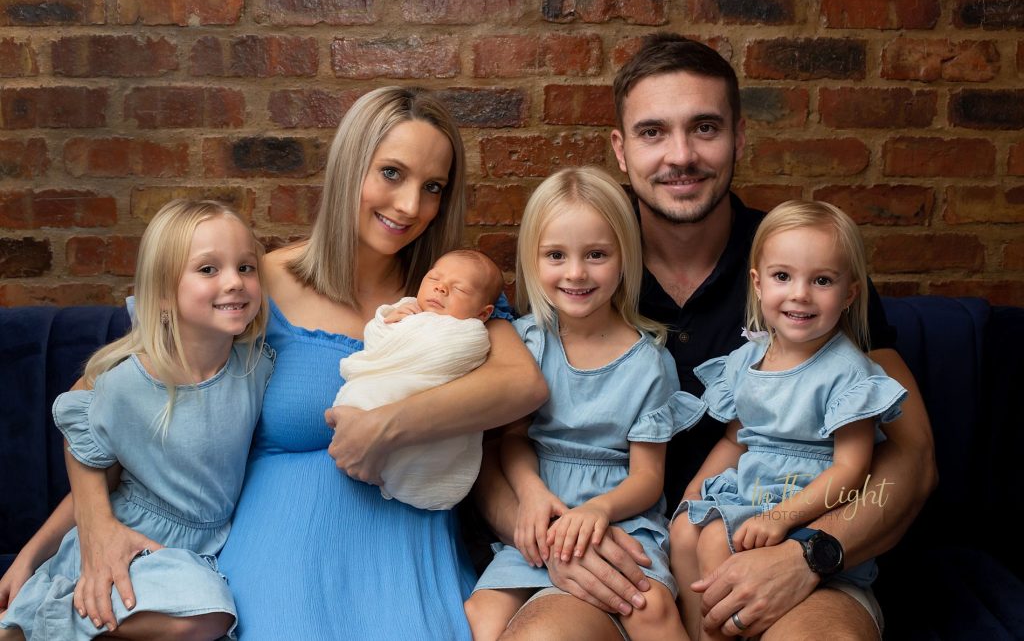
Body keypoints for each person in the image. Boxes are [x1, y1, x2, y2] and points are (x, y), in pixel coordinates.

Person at [0, 87, 547, 640]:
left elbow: (522, 383)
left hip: (408, 558)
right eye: (390, 173)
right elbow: (95, 402)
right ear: (349, 167)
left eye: (433, 187)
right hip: (279, 559)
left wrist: (388, 426)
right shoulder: (252, 283)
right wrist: (90, 530)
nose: (410, 206)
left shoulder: (449, 297)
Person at [475, 34, 936, 640]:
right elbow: (493, 446)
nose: (681, 154)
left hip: (786, 547)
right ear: (620, 148)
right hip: (615, 556)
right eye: (652, 132)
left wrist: (811, 554)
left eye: (706, 128)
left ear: (740, 137)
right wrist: (545, 537)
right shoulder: (581, 266)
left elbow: (913, 457)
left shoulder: (800, 273)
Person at [0, 200, 275, 640]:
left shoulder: (254, 365)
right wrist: (28, 559)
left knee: (215, 613)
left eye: (246, 267)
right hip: (138, 539)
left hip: (207, 545)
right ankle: (42, 621)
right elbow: (86, 447)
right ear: (164, 293)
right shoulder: (132, 382)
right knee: (209, 617)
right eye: (208, 270)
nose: (234, 283)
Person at [464, 166, 699, 641]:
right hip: (541, 518)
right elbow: (511, 438)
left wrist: (598, 511)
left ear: (624, 257)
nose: (576, 273)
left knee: (646, 606)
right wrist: (530, 493)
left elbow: (648, 478)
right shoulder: (524, 344)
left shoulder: (647, 361)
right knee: (480, 616)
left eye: (596, 254)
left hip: (620, 520)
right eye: (556, 255)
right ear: (533, 258)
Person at [670, 200, 907, 640]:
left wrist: (781, 518)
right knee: (683, 530)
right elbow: (736, 438)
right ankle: (698, 631)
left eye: (821, 280)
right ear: (758, 284)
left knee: (713, 541)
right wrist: (694, 488)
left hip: (806, 505)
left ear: (850, 293)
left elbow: (851, 469)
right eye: (783, 277)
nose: (800, 294)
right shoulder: (747, 360)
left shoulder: (848, 372)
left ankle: (729, 629)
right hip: (752, 491)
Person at [334, 249, 504, 510]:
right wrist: (390, 323)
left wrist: (413, 331)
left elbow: (445, 359)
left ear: (483, 313)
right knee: (366, 396)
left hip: (424, 418)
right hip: (380, 395)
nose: (441, 289)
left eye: (459, 289)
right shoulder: (407, 309)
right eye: (434, 279)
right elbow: (375, 343)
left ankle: (401, 472)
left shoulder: (470, 333)